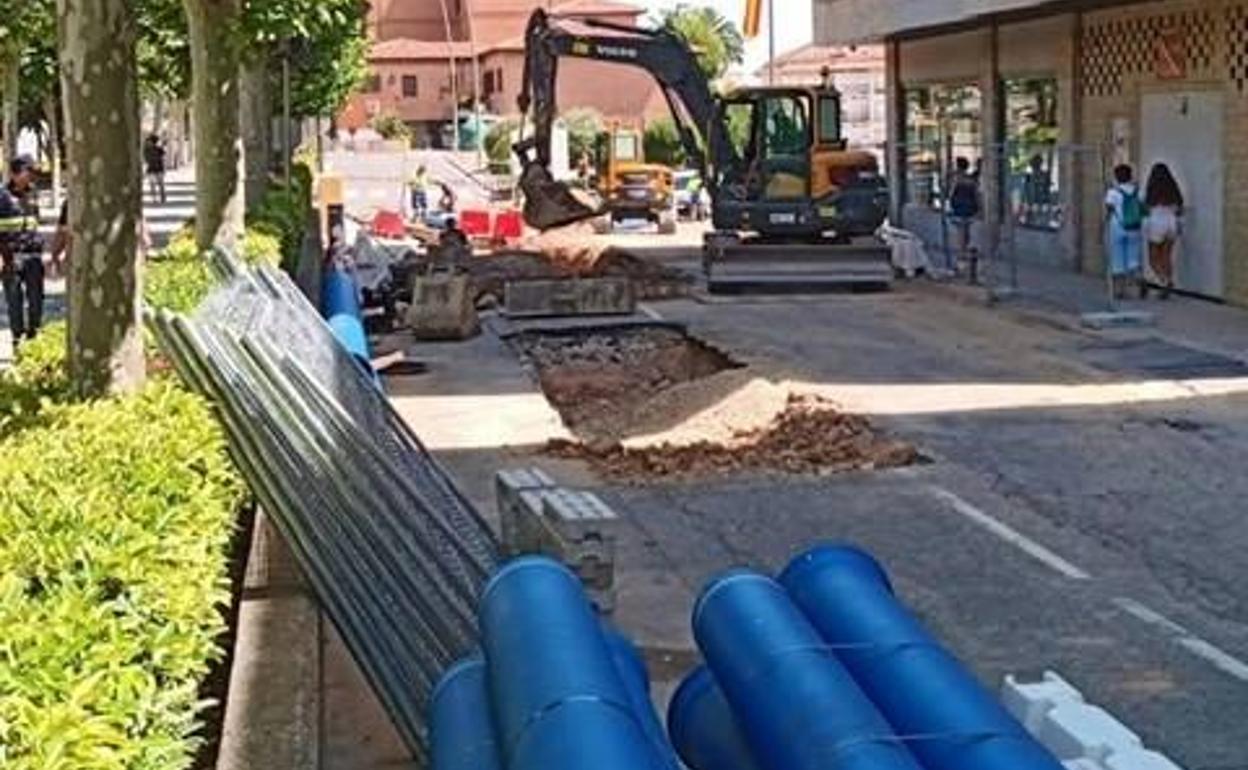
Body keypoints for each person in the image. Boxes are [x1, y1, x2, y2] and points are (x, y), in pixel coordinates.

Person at [0, 155, 45, 344]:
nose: (32, 177)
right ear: (15, 174)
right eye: (29, 172)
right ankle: (17, 338)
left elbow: (35, 222)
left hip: (33, 256)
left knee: (36, 299)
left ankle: (34, 337)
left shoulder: (33, 193)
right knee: (14, 301)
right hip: (11, 257)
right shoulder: (2, 197)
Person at [1143, 162, 1184, 300]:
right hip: (1171, 223)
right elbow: (1180, 209)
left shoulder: (1152, 190)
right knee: (1166, 256)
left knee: (1153, 257)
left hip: (1157, 222)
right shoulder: (1173, 190)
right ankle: (1168, 279)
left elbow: (1146, 208)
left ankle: (1164, 281)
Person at [1104, 164, 1145, 299]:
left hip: (1117, 227)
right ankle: (1139, 280)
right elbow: (1143, 209)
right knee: (1133, 259)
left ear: (1116, 177)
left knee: (1117, 259)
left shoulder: (1113, 192)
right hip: (1134, 227)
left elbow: (1109, 210)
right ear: (1130, 176)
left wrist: (1104, 225)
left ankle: (1119, 291)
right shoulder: (1137, 191)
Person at [947, 156, 982, 283]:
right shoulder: (971, 180)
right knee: (965, 239)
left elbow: (951, 195)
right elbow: (977, 195)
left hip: (960, 212)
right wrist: (979, 209)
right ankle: (965, 266)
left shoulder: (956, 179)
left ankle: (962, 266)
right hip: (969, 212)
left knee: (961, 240)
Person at [143, 133, 167, 204]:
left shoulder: (159, 149)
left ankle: (162, 197)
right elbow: (146, 160)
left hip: (158, 168)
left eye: (149, 141)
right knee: (153, 184)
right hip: (152, 169)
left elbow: (163, 158)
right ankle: (155, 198)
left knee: (160, 184)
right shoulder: (147, 150)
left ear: (153, 141)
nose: (148, 142)